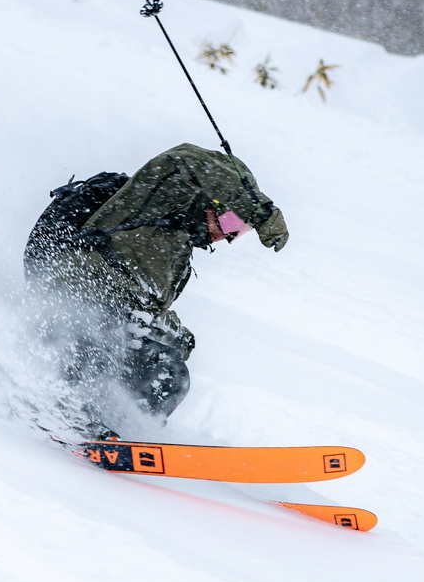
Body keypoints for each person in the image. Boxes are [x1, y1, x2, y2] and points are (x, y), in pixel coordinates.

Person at [24, 142, 288, 439]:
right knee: (101, 337)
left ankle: (131, 437)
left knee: (172, 376)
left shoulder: (176, 262)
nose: (226, 235)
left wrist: (178, 339)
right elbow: (188, 159)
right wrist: (258, 210)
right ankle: (69, 415)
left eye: (238, 232)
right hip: (80, 290)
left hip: (117, 320)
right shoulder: (153, 202)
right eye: (231, 221)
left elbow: (148, 313)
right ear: (210, 200)